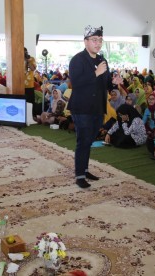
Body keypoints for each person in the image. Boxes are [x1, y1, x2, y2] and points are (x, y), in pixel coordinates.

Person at [67, 25, 119, 188]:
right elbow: (75, 83)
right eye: (94, 40)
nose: (98, 43)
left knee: (89, 140)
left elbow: (107, 83)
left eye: (100, 40)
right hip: (82, 108)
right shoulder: (77, 60)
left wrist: (114, 83)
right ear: (86, 41)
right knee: (83, 141)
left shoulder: (102, 61)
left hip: (98, 107)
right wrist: (95, 74)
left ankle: (85, 168)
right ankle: (80, 175)